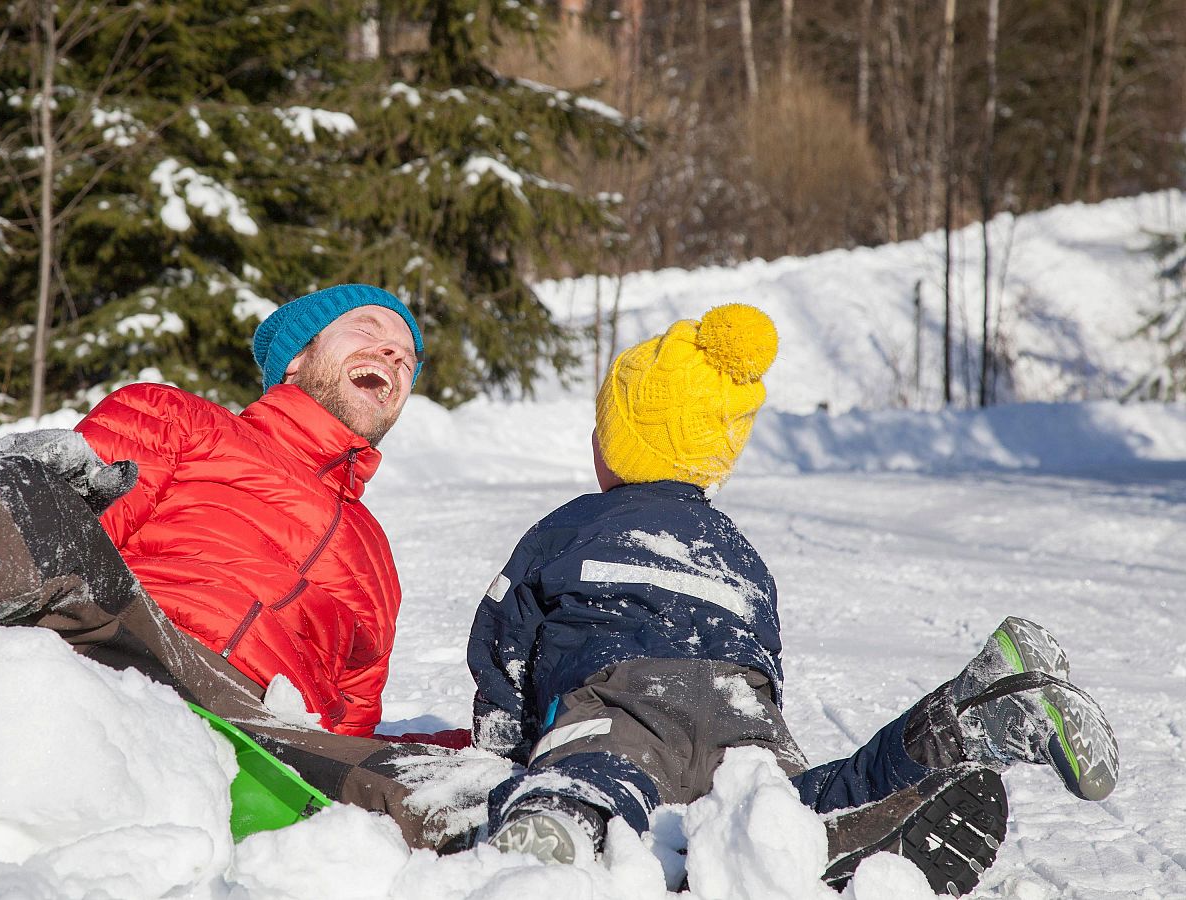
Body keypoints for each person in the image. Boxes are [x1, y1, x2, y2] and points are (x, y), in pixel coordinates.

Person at [0, 283, 476, 850]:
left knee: (460, 788)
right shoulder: (180, 419)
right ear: (297, 356)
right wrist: (55, 482)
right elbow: (74, 523)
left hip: (263, 720)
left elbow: (351, 716)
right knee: (33, 491)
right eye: (370, 332)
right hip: (129, 639)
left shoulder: (377, 562)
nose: (393, 356)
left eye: (408, 358)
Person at [466, 303, 1120, 894]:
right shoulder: (738, 552)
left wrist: (505, 751)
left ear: (613, 443)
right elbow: (763, 661)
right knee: (786, 807)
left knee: (596, 781)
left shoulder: (569, 526)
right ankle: (954, 724)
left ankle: (557, 832)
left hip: (624, 703)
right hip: (743, 714)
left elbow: (504, 643)